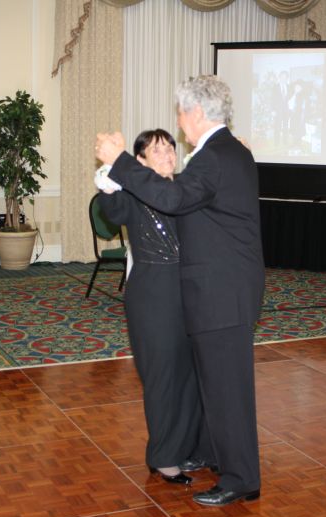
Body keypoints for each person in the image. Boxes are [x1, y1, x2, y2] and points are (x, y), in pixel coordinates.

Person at [95, 75, 265, 507]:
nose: (179, 122)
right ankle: (215, 456)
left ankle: (241, 479)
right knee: (216, 387)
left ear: (197, 113)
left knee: (228, 392)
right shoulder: (232, 151)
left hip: (221, 293)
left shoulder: (214, 157)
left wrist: (120, 161)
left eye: (181, 113)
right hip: (222, 290)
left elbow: (172, 199)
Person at [96, 129, 202, 486]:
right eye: (157, 150)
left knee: (190, 374)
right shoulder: (133, 193)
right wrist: (110, 170)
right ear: (139, 161)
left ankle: (185, 447)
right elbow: (112, 208)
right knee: (162, 376)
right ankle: (163, 458)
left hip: (191, 292)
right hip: (153, 296)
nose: (168, 154)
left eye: (170, 147)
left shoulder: (185, 189)